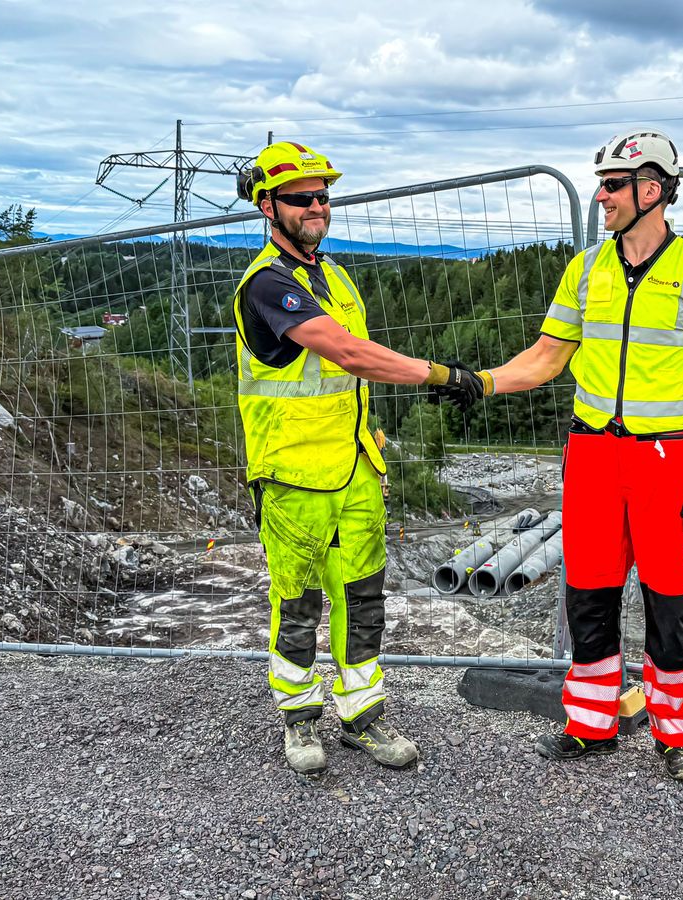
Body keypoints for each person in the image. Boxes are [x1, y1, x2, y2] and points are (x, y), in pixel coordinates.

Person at [445, 128, 683, 781]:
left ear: (652, 190)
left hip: (670, 461)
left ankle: (677, 735)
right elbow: (548, 357)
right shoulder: (586, 270)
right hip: (592, 457)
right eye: (601, 184)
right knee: (589, 592)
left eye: (613, 185)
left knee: (673, 602)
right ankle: (590, 724)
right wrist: (484, 381)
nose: (601, 196)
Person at [232, 141, 475, 775]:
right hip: (293, 474)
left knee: (363, 599)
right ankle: (298, 720)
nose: (318, 206)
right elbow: (350, 354)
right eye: (301, 198)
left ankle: (362, 715)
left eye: (323, 196)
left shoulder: (333, 275)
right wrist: (442, 375)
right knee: (299, 602)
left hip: (355, 467)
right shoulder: (267, 284)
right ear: (267, 206)